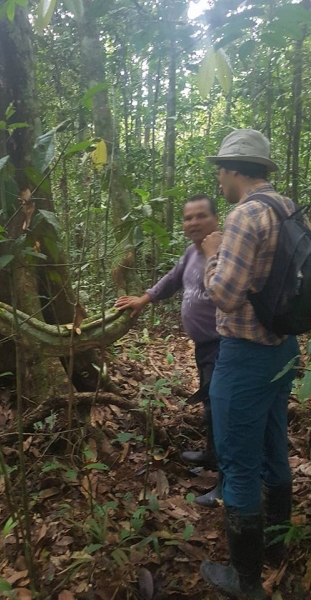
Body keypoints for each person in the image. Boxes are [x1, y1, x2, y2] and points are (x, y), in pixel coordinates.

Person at [200, 129, 300, 600]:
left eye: (221, 169)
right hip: (283, 349)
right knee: (274, 447)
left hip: (245, 357)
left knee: (239, 465)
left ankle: (246, 582)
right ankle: (279, 550)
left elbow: (223, 292)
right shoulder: (287, 206)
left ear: (236, 170)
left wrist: (211, 251)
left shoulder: (245, 215)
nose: (218, 178)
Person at [115, 194, 222, 507]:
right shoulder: (191, 252)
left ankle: (227, 484)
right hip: (204, 346)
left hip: (225, 344)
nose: (193, 223)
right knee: (210, 403)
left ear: (216, 218)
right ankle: (213, 455)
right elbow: (173, 280)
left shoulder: (225, 250)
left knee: (224, 410)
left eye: (200, 216)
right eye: (188, 218)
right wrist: (143, 299)